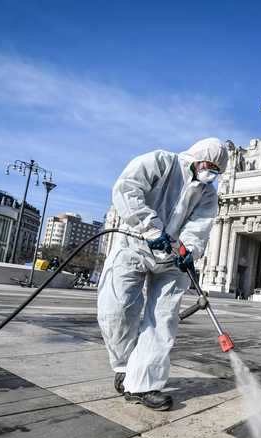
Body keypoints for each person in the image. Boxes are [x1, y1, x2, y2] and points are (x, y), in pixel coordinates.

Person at [97, 138, 228, 411]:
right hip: (134, 244)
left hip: (172, 259)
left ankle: (144, 385)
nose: (210, 172)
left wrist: (189, 249)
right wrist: (150, 228)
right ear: (196, 157)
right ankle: (125, 367)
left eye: (216, 169)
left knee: (162, 320)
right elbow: (127, 188)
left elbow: (200, 225)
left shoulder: (207, 194)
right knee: (117, 309)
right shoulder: (161, 162)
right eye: (208, 165)